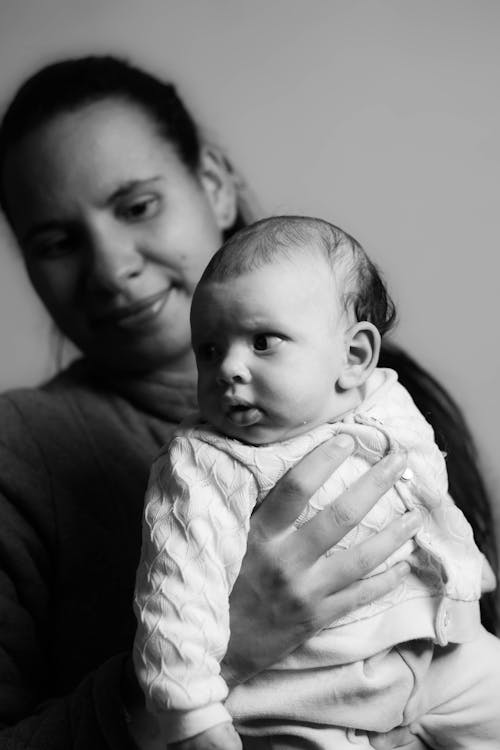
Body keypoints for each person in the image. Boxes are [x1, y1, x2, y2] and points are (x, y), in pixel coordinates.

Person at [0, 55, 495, 750]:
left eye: (138, 206)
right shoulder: (21, 450)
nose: (112, 269)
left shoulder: (385, 396)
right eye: (55, 243)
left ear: (213, 186)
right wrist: (223, 652)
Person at [133, 216, 499, 749]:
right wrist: (190, 717)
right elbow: (172, 595)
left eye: (263, 341)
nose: (227, 368)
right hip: (306, 690)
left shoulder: (385, 398)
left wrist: (464, 578)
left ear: (354, 357)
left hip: (441, 650)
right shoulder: (204, 463)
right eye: (208, 350)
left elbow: (430, 496)